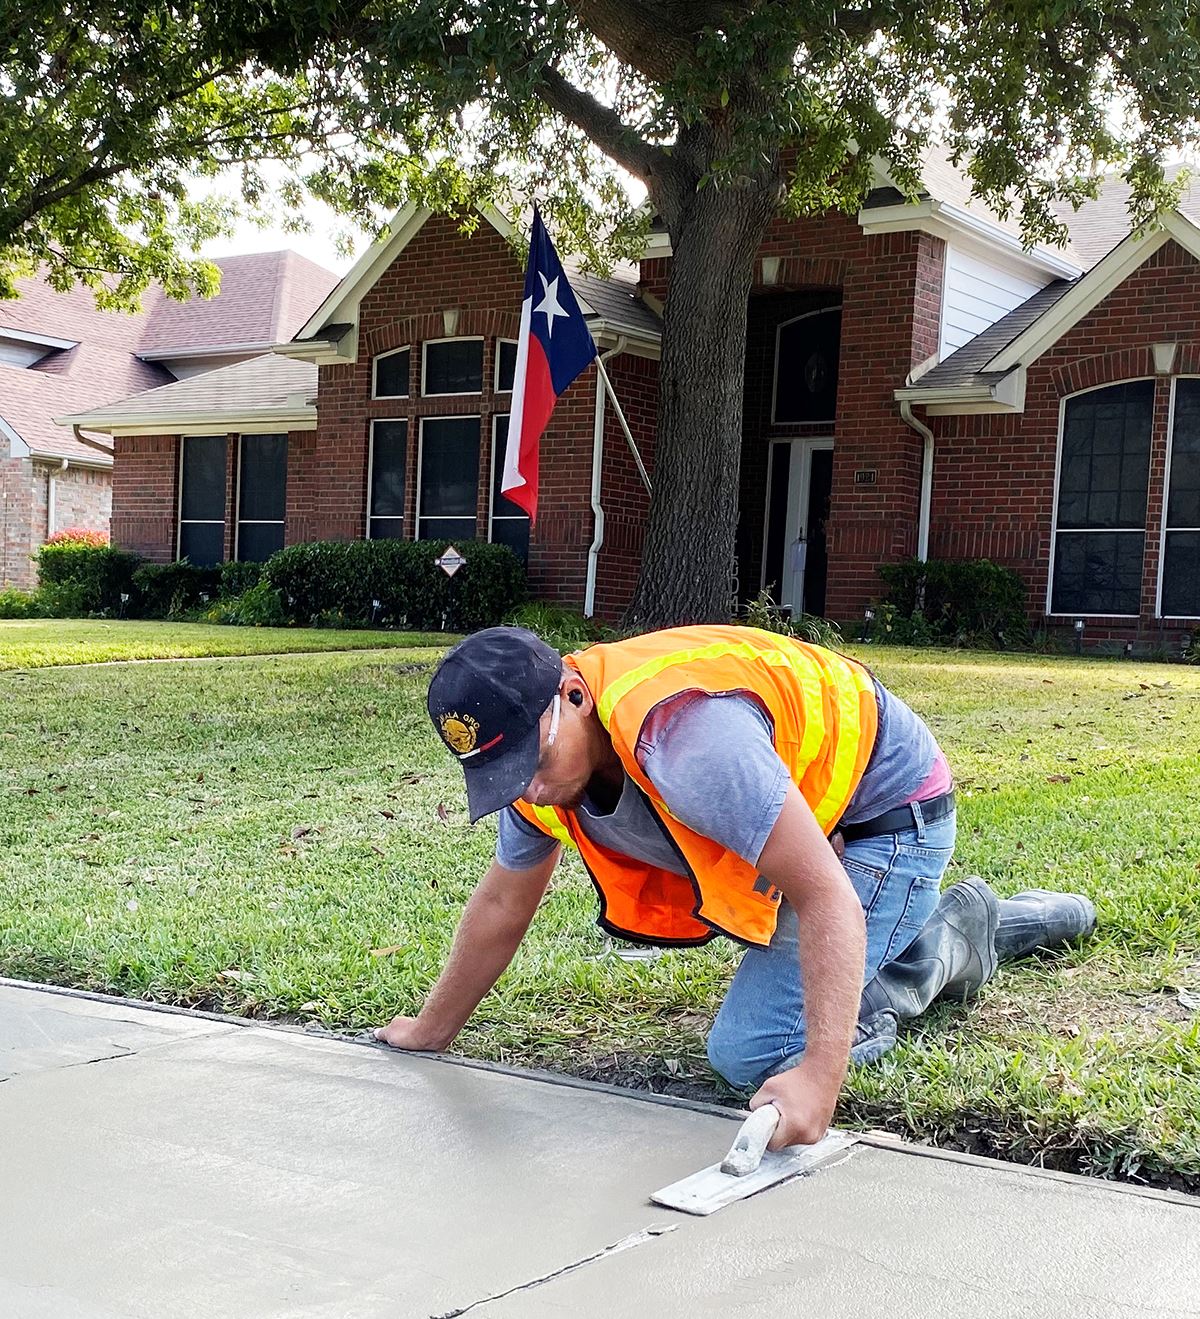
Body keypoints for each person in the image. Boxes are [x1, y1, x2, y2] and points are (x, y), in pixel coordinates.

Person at [375, 624, 1095, 1149]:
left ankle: (947, 938)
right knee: (779, 1012)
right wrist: (432, 1028)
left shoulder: (687, 744)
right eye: (503, 774)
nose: (526, 785)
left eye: (533, 756)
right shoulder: (541, 777)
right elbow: (504, 900)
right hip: (812, 832)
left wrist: (818, 1078)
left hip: (886, 820)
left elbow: (825, 896)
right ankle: (928, 929)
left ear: (574, 694)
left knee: (754, 1053)